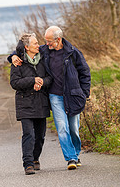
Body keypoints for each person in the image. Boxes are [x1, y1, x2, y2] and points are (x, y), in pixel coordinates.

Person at [10, 26, 91, 170]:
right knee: (62, 128)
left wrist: (85, 93)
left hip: (73, 95)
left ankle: (76, 153)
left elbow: (84, 72)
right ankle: (71, 158)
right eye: (45, 41)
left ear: (58, 39)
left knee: (73, 128)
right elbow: (24, 50)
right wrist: (12, 57)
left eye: (49, 41)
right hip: (55, 96)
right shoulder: (45, 51)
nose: (45, 44)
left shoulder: (73, 52)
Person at [9, 33, 52, 175]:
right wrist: (33, 80)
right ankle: (28, 164)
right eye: (34, 43)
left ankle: (35, 158)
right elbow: (14, 83)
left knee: (40, 136)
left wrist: (42, 82)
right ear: (27, 47)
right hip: (25, 103)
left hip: (41, 102)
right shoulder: (18, 62)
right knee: (29, 134)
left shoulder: (43, 59)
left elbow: (50, 78)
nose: (38, 45)